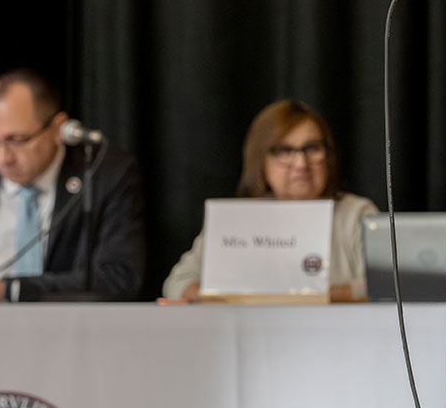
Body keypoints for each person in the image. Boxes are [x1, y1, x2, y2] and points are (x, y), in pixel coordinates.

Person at [0, 69, 145, 302]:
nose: (3, 157)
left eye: (17, 140)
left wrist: (8, 290)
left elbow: (119, 277)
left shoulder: (105, 174)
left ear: (58, 128)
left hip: (69, 328)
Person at [162, 100, 378, 303]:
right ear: (261, 160)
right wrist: (225, 298)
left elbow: (386, 285)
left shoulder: (357, 214)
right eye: (284, 151)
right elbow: (177, 283)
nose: (301, 163)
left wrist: (314, 298)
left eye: (312, 148)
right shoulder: (238, 218)